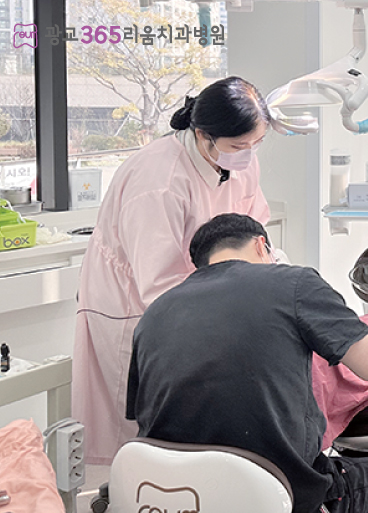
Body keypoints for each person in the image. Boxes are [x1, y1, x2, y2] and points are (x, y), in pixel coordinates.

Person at [126, 213, 368, 513]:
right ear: (262, 246)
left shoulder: (154, 314)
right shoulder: (293, 283)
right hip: (284, 509)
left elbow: (142, 414)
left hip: (172, 506)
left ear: (201, 264)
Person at [73, 76, 276, 464]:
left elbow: (254, 228)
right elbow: (159, 283)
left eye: (257, 144)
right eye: (239, 146)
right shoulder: (159, 181)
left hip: (200, 298)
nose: (248, 155)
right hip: (134, 308)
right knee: (135, 426)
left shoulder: (240, 161)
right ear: (202, 134)